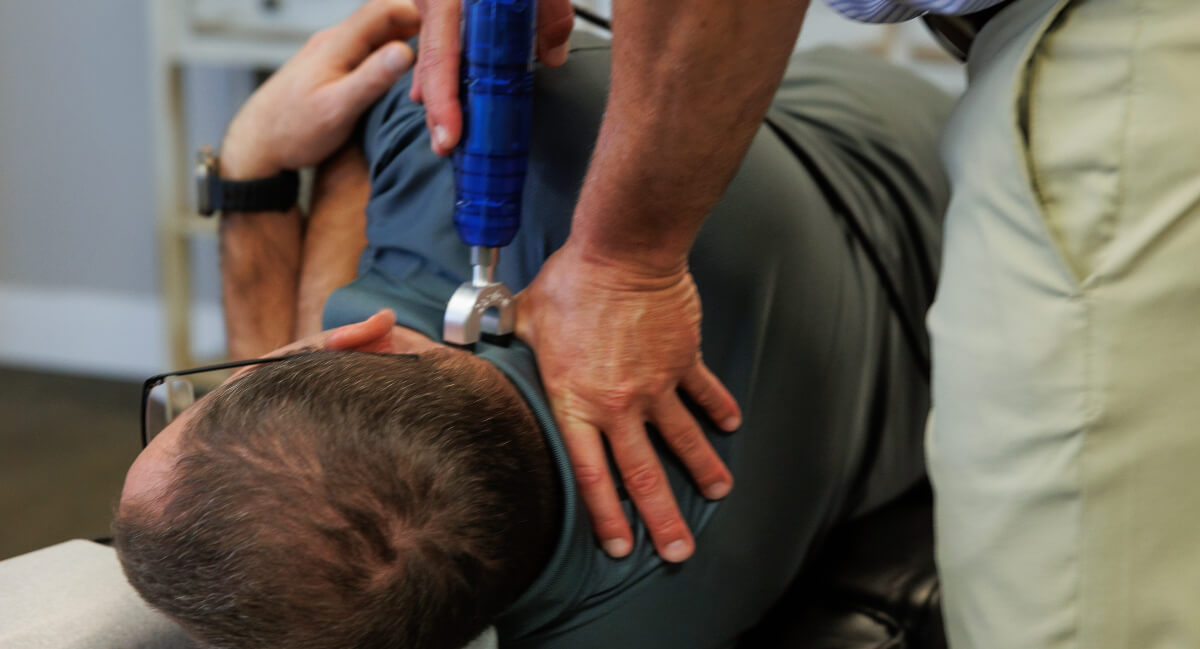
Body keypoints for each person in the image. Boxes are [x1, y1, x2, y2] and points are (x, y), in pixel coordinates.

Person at [113, 10, 954, 649]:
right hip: (908, 144)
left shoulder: (638, 626)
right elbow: (377, 68)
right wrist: (254, 158)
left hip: (914, 320)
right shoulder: (498, 127)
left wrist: (251, 186)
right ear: (368, 336)